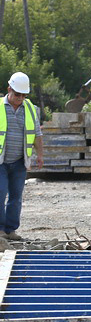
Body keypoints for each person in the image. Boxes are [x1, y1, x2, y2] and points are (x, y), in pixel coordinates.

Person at [0, 72, 43, 241]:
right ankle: (0, 230)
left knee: (16, 197)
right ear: (9, 89)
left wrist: (40, 154)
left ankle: (11, 231)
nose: (20, 98)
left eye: (24, 95)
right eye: (17, 94)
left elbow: (37, 134)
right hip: (1, 161)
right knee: (0, 193)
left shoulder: (30, 108)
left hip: (20, 161)